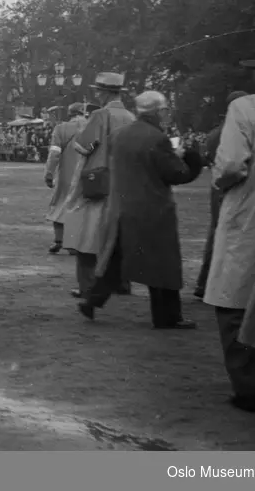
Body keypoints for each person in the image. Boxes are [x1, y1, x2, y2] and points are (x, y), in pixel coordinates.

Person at [77, 91, 203, 329]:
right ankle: (167, 316)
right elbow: (177, 174)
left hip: (122, 207)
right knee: (162, 265)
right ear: (157, 112)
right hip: (153, 209)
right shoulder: (158, 138)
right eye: (164, 110)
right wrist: (191, 158)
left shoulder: (120, 136)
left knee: (116, 261)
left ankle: (92, 301)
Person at [205, 38, 255, 412]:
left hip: (251, 216)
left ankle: (247, 386)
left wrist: (220, 183)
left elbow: (229, 165)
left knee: (235, 298)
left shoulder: (246, 108)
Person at [62, 73, 137, 299]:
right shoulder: (131, 117)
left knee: (87, 237)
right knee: (118, 234)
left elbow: (84, 146)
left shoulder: (100, 115)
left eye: (98, 90)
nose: (96, 94)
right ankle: (122, 283)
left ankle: (87, 286)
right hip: (124, 182)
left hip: (99, 181)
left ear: (105, 93)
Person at [195, 90, 249, 299]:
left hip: (217, 186)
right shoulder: (233, 130)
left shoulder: (215, 133)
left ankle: (204, 283)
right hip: (231, 186)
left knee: (215, 233)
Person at [45, 102, 89, 254]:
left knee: (59, 204)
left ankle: (59, 239)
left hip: (66, 174)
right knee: (80, 207)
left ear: (69, 114)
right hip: (86, 174)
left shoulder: (61, 128)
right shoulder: (91, 127)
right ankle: (74, 241)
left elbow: (55, 153)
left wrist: (49, 173)